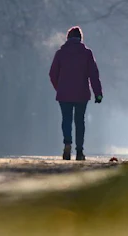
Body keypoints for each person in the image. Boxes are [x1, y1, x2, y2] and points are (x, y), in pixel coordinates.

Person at [48, 26, 102, 161]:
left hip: (64, 93)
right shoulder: (87, 53)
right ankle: (79, 150)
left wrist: (59, 87)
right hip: (81, 93)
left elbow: (52, 73)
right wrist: (98, 93)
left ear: (67, 38)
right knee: (79, 121)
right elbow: (93, 74)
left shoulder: (60, 53)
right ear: (80, 38)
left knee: (66, 119)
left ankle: (67, 144)